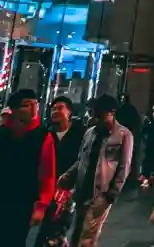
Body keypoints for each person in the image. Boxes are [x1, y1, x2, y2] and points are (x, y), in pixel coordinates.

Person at [59, 94, 133, 247]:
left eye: (100, 115)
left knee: (88, 237)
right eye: (94, 114)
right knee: (76, 232)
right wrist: (68, 176)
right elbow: (81, 160)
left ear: (112, 113)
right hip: (81, 190)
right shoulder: (90, 133)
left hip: (101, 193)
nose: (95, 118)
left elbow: (124, 167)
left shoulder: (124, 135)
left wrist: (111, 194)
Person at [0, 88, 56, 245]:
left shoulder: (43, 136)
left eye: (35, 104)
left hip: (24, 203)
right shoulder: (3, 134)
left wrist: (41, 205)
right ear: (14, 110)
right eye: (27, 105)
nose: (33, 109)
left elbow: (47, 175)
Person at [49, 96, 86, 178]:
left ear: (70, 112)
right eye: (53, 109)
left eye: (60, 108)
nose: (55, 111)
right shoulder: (46, 135)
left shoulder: (82, 134)